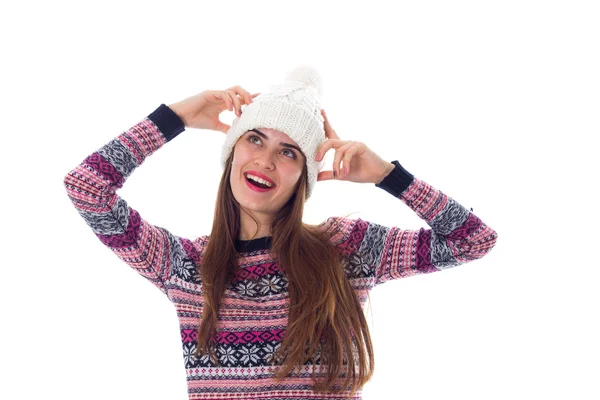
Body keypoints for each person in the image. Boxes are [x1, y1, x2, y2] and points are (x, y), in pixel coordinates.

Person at [64, 65, 498, 400]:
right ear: (232, 152)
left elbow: (473, 240)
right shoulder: (184, 265)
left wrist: (388, 176)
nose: (266, 160)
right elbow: (86, 188)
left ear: (304, 174)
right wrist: (175, 117)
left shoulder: (346, 247)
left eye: (288, 151)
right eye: (254, 139)